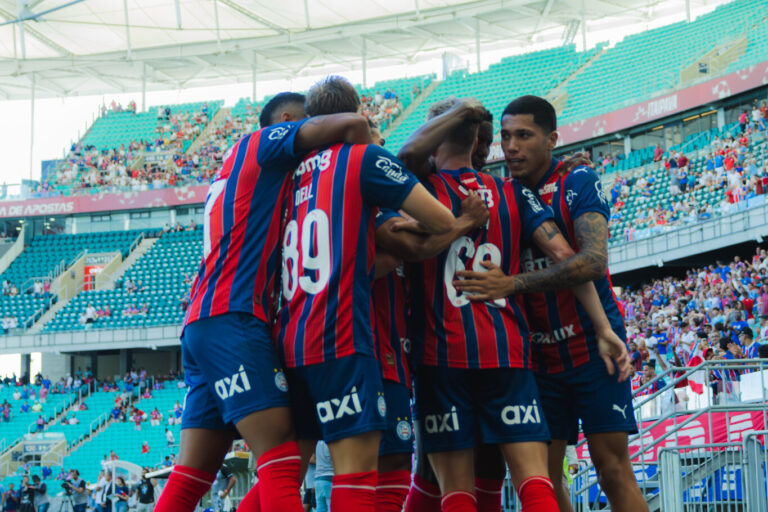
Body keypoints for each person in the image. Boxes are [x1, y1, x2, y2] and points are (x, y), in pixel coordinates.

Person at [155, 93, 374, 512]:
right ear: (288, 123)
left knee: (190, 476)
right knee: (282, 456)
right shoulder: (261, 143)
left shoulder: (234, 173)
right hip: (233, 319)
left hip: (203, 323)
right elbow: (354, 125)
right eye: (306, 128)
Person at [273, 76, 458, 512]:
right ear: (356, 114)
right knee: (359, 476)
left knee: (285, 476)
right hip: (344, 338)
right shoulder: (361, 161)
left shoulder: (283, 177)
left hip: (289, 338)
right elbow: (441, 223)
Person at [458, 95, 643, 512]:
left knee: (612, 469)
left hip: (594, 351)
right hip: (537, 360)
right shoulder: (501, 194)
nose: (511, 146)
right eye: (505, 136)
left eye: (524, 136)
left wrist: (514, 284)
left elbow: (593, 260)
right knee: (541, 477)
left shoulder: (576, 180)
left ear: (551, 139)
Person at [314, 441, 334, 512]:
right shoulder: (330, 442)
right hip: (329, 478)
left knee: (320, 508)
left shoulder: (317, 443)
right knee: (331, 508)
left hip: (318, 479)